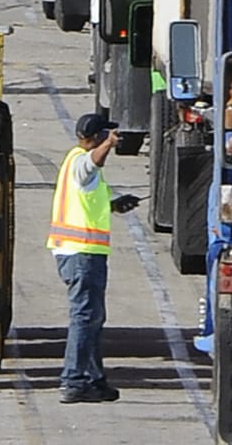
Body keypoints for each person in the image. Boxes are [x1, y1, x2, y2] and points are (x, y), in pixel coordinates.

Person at [48, 111, 140, 403]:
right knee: (85, 318)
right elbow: (90, 164)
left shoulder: (75, 162)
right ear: (97, 137)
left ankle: (94, 379)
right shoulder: (80, 161)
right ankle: (74, 381)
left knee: (92, 318)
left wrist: (115, 204)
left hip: (81, 253)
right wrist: (109, 145)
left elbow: (89, 198)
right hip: (81, 253)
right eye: (105, 135)